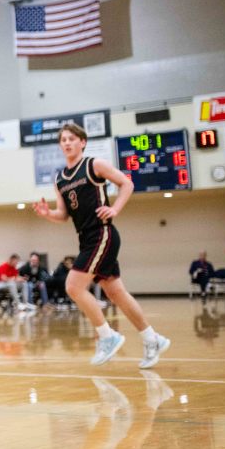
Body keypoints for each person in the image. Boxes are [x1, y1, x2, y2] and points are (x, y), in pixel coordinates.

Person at [34, 122, 170, 368]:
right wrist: (47, 214)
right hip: (86, 238)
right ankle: (153, 339)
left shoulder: (94, 164)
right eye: (63, 139)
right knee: (115, 292)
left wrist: (115, 208)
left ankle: (107, 336)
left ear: (82, 142)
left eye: (71, 139)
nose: (66, 143)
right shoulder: (60, 179)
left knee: (73, 286)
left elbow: (127, 183)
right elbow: (63, 215)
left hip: (103, 234)